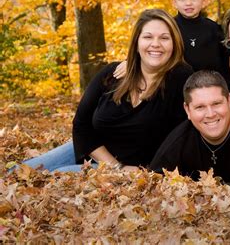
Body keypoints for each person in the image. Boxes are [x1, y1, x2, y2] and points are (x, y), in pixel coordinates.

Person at [19, 9, 193, 172]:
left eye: (164, 38)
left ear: (174, 43)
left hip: (134, 168)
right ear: (137, 42)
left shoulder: (180, 79)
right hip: (93, 149)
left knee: (55, 177)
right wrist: (115, 167)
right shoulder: (112, 73)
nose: (155, 44)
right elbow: (81, 124)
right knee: (19, 173)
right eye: (148, 37)